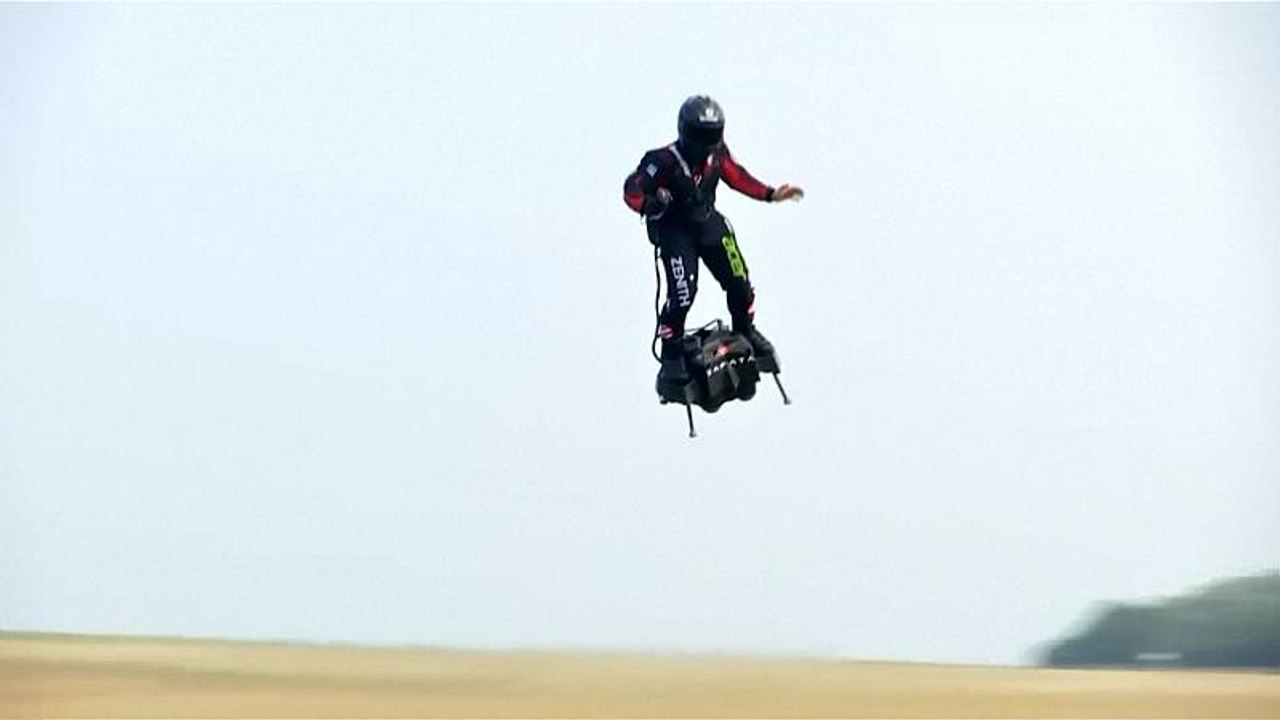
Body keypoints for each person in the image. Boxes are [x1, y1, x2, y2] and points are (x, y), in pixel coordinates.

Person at [622, 95, 804, 395]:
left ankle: (746, 329)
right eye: (700, 136)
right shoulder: (662, 160)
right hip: (675, 231)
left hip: (707, 222)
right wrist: (651, 205)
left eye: (712, 136)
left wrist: (771, 194)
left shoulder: (718, 154)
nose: (705, 144)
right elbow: (632, 191)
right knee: (682, 295)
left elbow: (737, 176)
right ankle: (671, 353)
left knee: (740, 280)